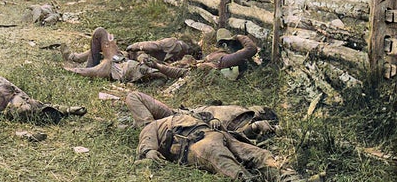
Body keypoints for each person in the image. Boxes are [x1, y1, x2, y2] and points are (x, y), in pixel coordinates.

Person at [129, 91, 317, 181]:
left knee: (258, 154)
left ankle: (292, 179)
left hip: (219, 134)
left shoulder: (186, 114)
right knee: (224, 161)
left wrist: (212, 122)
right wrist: (149, 152)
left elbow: (208, 117)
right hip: (196, 144)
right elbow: (147, 140)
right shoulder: (153, 126)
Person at [125, 91, 278, 140]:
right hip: (178, 114)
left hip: (182, 124)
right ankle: (148, 128)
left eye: (260, 110)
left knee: (134, 97)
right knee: (134, 97)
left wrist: (256, 126)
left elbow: (231, 139)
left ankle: (149, 131)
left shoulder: (245, 129)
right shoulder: (238, 110)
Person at [61, 27, 178, 83]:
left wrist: (137, 46)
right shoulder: (173, 54)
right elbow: (150, 49)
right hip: (122, 60)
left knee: (100, 33)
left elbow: (150, 48)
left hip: (119, 65)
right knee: (100, 34)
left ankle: (76, 61)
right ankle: (75, 58)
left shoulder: (174, 48)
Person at [143, 28, 258, 81]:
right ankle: (156, 66)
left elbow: (251, 49)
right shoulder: (220, 55)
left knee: (181, 71)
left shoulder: (226, 59)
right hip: (195, 68)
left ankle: (157, 66)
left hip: (199, 72)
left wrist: (238, 37)